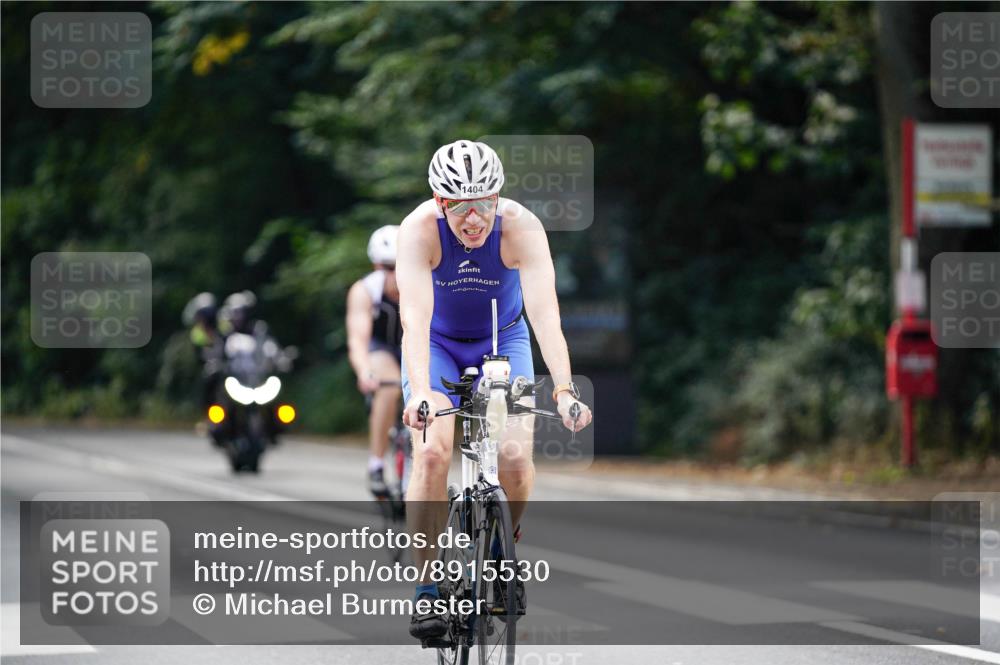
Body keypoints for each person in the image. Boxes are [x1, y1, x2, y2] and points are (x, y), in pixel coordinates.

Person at [397, 139, 593, 640]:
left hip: (502, 340)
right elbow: (415, 320)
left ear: (499, 196)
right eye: (460, 206)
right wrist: (420, 391)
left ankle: (504, 547)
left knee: (513, 458)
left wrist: (565, 389)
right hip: (437, 345)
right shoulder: (419, 231)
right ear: (440, 202)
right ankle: (425, 589)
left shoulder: (521, 227)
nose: (473, 218)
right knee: (434, 454)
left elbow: (545, 315)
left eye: (484, 203)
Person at [346, 225, 405, 496]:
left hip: (419, 346)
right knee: (389, 385)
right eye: (386, 267)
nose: (393, 274)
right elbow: (358, 339)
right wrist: (364, 371)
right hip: (383, 348)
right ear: (375, 265)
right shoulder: (364, 290)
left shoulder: (426, 283)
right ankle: (377, 463)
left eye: (399, 266)